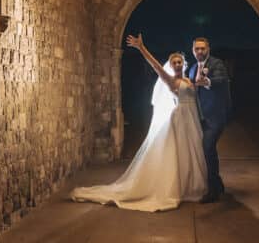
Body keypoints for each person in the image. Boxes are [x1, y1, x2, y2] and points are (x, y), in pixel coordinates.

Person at [70, 34, 209, 212]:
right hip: (180, 117)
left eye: (179, 62)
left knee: (192, 151)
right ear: (170, 65)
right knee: (179, 151)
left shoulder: (189, 79)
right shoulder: (170, 80)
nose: (176, 64)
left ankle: (191, 186)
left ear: (184, 63)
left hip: (192, 117)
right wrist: (141, 48)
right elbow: (155, 66)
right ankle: (175, 188)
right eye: (173, 62)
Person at [188, 37, 231, 202]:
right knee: (207, 150)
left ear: (208, 49)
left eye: (203, 48)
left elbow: (221, 79)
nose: (200, 51)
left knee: (208, 148)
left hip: (215, 116)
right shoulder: (192, 69)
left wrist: (207, 81)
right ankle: (218, 183)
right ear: (193, 50)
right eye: (197, 49)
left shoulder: (216, 64)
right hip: (199, 118)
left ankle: (213, 191)